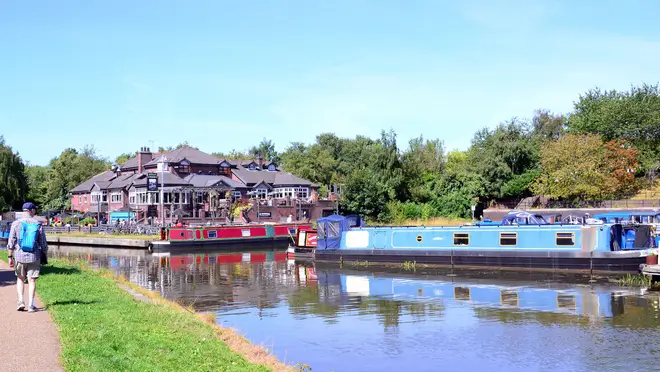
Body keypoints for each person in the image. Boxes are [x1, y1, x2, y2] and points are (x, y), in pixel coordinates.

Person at [7, 202, 48, 313]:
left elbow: (11, 242)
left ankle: (21, 301)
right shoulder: (38, 224)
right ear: (32, 210)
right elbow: (43, 243)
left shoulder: (16, 223)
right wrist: (44, 253)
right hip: (34, 256)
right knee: (32, 280)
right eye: (35, 210)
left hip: (19, 255)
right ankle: (31, 305)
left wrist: (10, 256)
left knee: (20, 278)